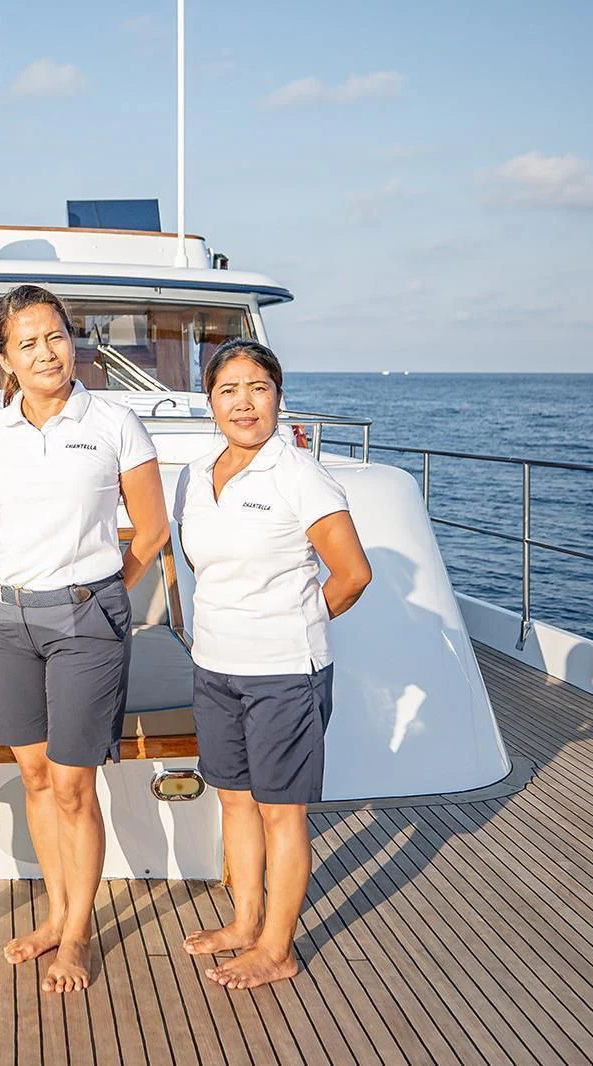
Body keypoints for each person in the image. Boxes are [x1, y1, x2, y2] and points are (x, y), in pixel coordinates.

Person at [0, 284, 169, 993]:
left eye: (55, 336)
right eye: (27, 343)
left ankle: (76, 934)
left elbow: (152, 530)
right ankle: (55, 914)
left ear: (72, 339)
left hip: (87, 619)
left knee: (74, 785)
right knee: (35, 776)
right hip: (6, 618)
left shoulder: (114, 421)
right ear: (5, 358)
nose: (46, 352)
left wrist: (102, 591)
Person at [172, 339, 371, 990]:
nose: (244, 402)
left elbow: (352, 574)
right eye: (228, 390)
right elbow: (203, 565)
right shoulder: (194, 477)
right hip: (215, 664)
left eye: (257, 388)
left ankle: (278, 949)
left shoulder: (300, 474)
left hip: (285, 670)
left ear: (279, 397)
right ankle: (244, 922)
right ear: (209, 402)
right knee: (235, 800)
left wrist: (294, 623)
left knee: (281, 811)